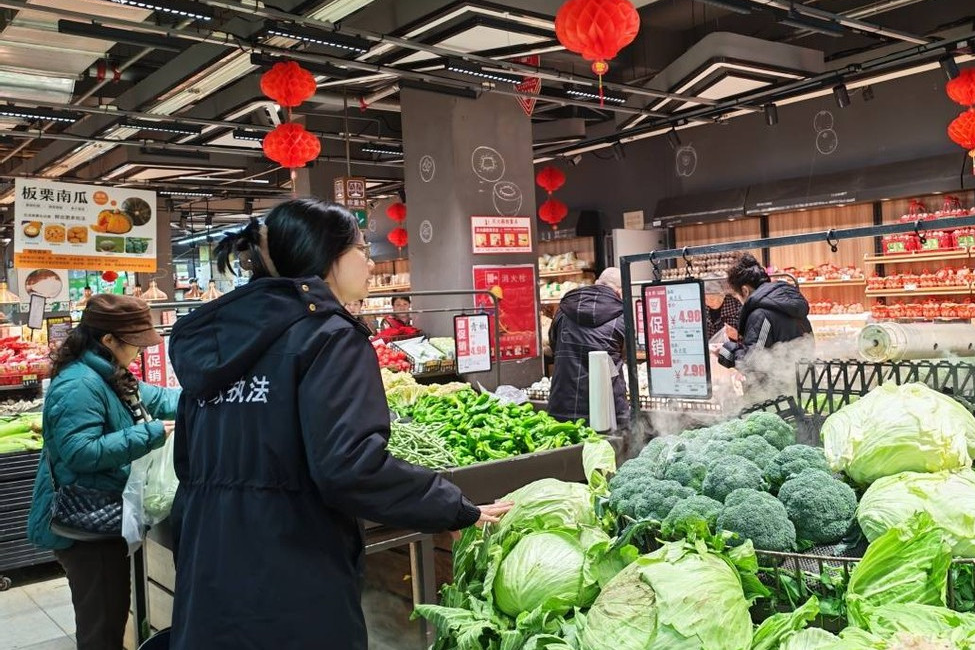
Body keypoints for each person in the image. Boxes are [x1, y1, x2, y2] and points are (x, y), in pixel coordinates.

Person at [166, 198, 510, 650]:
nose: (370, 262)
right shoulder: (329, 338)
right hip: (292, 576)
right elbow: (350, 467)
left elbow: (187, 464)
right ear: (328, 255)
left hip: (208, 571)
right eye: (362, 249)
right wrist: (453, 507)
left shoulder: (216, 344)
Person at [26, 294, 179, 650]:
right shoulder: (80, 384)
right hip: (86, 527)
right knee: (102, 628)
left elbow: (157, 398)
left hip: (101, 515)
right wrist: (151, 433)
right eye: (135, 345)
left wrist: (208, 399)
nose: (140, 352)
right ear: (109, 340)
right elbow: (80, 452)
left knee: (108, 616)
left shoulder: (107, 373)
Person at [548, 267, 629, 430]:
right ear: (620, 292)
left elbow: (553, 345)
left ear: (597, 283)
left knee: (567, 454)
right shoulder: (622, 317)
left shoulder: (563, 311)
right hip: (607, 410)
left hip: (563, 406)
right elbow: (626, 355)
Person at [716, 253, 812, 368]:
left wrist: (726, 352)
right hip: (803, 379)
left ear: (745, 290)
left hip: (779, 384)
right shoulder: (789, 302)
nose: (739, 301)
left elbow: (753, 363)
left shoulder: (760, 314)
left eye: (737, 296)